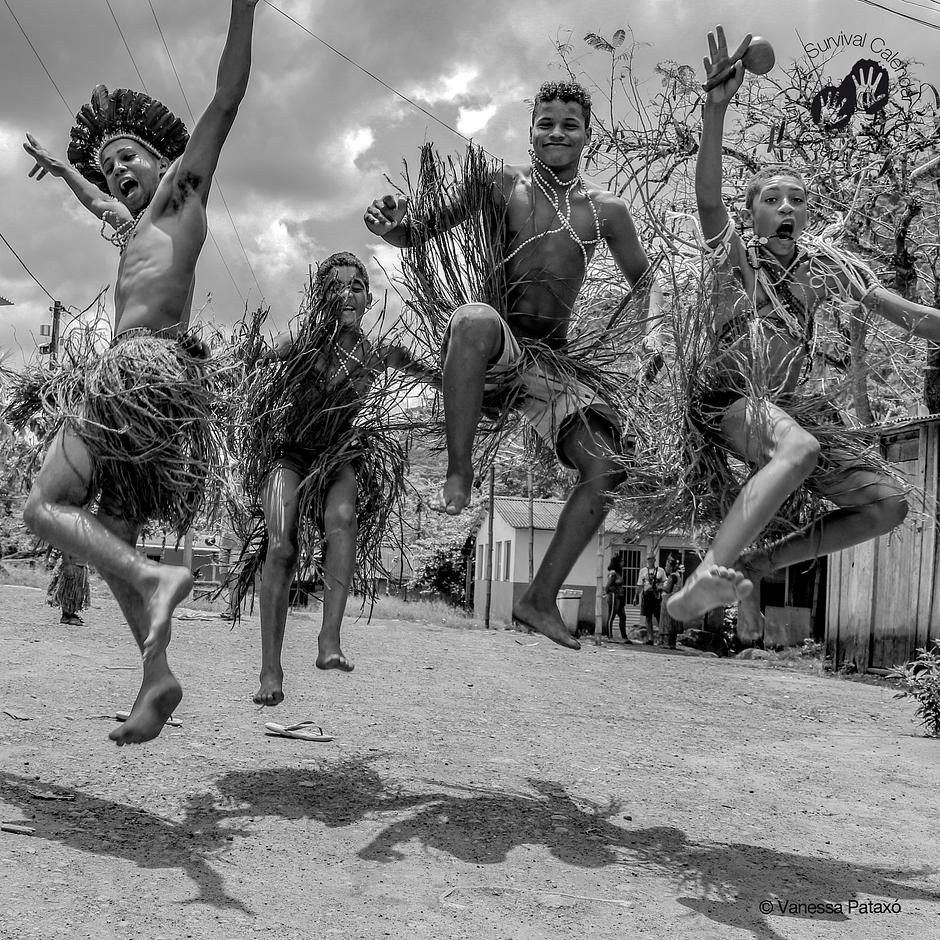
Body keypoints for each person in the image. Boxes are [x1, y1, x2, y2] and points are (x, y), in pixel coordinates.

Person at [20, 0, 262, 745]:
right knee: (113, 531)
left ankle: (160, 583)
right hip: (151, 390)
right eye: (107, 165)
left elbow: (225, 99)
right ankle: (156, 674)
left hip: (139, 376)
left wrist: (242, 10)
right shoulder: (134, 231)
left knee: (43, 508)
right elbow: (99, 203)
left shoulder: (182, 195)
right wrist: (67, 171)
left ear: (165, 161)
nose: (115, 170)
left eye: (127, 156)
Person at [364, 80, 662, 650]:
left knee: (606, 468)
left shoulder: (606, 212)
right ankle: (459, 468)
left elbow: (647, 283)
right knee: (472, 320)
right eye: (545, 122)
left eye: (568, 124)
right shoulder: (501, 184)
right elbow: (417, 232)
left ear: (587, 135)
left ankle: (539, 599)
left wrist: (651, 341)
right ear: (529, 130)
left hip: (552, 363)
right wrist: (390, 226)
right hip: (497, 347)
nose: (556, 133)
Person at [667, 26, 940, 622]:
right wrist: (717, 109)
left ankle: (760, 563)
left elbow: (907, 316)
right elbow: (708, 199)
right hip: (734, 400)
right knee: (800, 448)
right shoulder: (734, 255)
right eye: (772, 198)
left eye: (797, 199)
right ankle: (700, 582)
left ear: (809, 214)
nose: (786, 206)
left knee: (889, 505)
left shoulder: (827, 269)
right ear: (752, 211)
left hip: (797, 406)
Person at [228, 252, 435, 707]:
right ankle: (270, 668)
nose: (348, 293)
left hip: (338, 455)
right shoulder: (301, 342)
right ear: (321, 295)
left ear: (369, 297)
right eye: (337, 285)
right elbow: (249, 361)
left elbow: (434, 375)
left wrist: (480, 382)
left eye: (357, 285)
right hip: (289, 453)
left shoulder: (380, 351)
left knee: (343, 518)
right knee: (281, 547)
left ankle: (329, 640)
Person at [47, 552, 90, 626]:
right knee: (69, 591)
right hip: (73, 565)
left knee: (76, 593)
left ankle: (70, 613)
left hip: (81, 565)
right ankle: (66, 614)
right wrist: (67, 564)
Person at [636, 553, 665, 644]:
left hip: (656, 596)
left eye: (651, 559)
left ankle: (661, 639)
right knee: (648, 618)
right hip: (647, 595)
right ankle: (650, 638)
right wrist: (635, 596)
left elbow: (665, 582)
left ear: (654, 560)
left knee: (658, 617)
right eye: (648, 559)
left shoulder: (660, 570)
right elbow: (640, 585)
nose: (650, 560)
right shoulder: (643, 571)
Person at [658, 557, 682, 649]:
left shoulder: (672, 577)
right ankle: (672, 643)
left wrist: (660, 587)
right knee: (672, 622)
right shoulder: (677, 576)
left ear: (671, 567)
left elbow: (668, 589)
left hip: (669, 601)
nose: (665, 567)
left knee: (667, 621)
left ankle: (667, 643)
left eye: (667, 566)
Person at [604, 558, 628, 641]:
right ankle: (610, 636)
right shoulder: (613, 573)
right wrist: (612, 592)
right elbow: (607, 586)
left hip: (620, 597)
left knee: (623, 616)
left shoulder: (619, 573)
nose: (623, 562)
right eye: (621, 561)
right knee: (611, 616)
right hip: (614, 597)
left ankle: (624, 637)